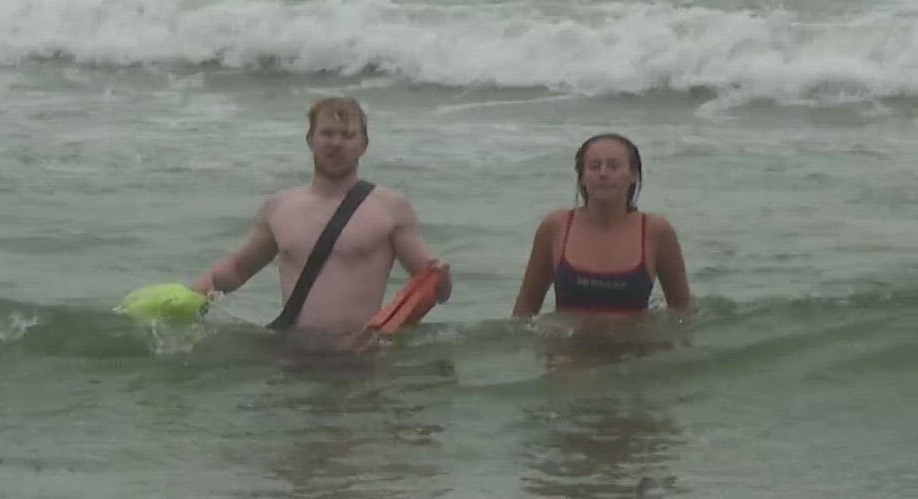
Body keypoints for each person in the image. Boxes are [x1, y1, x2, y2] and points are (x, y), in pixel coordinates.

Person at [193, 97, 451, 332]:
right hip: (295, 355)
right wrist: (201, 290)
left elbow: (433, 287)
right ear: (310, 140)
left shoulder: (390, 207)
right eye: (327, 134)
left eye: (347, 135)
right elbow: (239, 269)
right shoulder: (280, 207)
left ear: (363, 145)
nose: (336, 144)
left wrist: (442, 277)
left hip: (360, 357)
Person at [511, 132, 692, 319]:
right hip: (566, 348)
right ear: (581, 177)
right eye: (594, 167)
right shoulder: (556, 226)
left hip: (635, 347)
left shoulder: (656, 231)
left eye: (613, 166)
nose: (603, 173)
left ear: (633, 175)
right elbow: (524, 311)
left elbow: (683, 312)